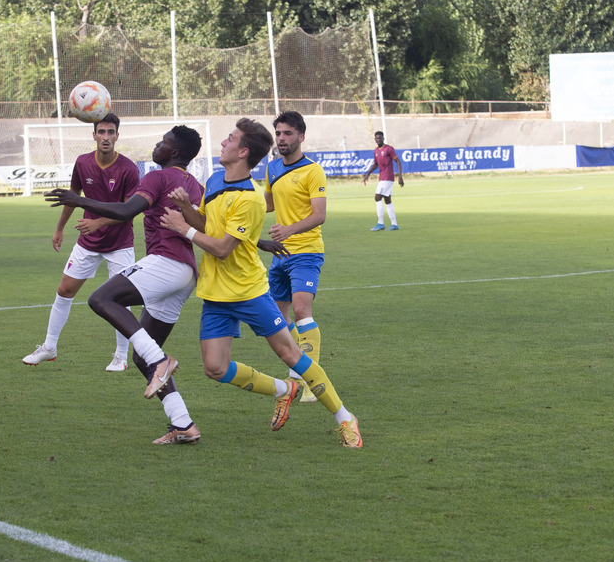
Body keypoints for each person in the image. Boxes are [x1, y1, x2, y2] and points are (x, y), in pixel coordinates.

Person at [159, 118, 363, 448]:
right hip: (215, 293)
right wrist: (186, 209)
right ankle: (285, 390)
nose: (223, 142)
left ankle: (345, 417)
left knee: (290, 353)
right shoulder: (213, 180)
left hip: (248, 291)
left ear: (242, 151)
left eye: (230, 139)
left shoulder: (251, 198)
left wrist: (182, 228)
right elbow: (209, 226)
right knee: (214, 368)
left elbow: (223, 248)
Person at [44, 125, 205, 445]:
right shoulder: (195, 185)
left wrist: (79, 199)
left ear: (173, 152)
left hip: (166, 263)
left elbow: (127, 210)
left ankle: (162, 361)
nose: (156, 146)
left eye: (162, 143)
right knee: (141, 357)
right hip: (186, 272)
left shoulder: (157, 177)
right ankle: (183, 424)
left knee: (102, 299)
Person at [22, 113, 140, 371]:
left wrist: (98, 222)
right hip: (88, 242)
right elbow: (73, 197)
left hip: (120, 244)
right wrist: (60, 228)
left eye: (111, 132)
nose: (106, 137)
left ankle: (120, 356)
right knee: (64, 290)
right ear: (94, 135)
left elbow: (129, 210)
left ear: (117, 136)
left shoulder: (129, 169)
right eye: (102, 132)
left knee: (120, 299)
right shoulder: (83, 163)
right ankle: (49, 347)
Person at [262, 111, 327, 404]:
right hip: (280, 254)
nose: (281, 139)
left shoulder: (313, 171)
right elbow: (266, 204)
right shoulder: (272, 167)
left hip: (306, 251)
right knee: (278, 318)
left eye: (287, 133)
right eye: (278, 133)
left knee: (302, 312)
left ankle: (311, 379)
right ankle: (297, 367)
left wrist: (288, 229)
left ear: (301, 136)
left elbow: (319, 215)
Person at [361, 130, 404, 231]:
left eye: (380, 138)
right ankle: (394, 224)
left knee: (377, 197)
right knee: (387, 200)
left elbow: (398, 161)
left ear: (383, 138)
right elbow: (375, 164)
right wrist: (368, 173)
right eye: (376, 138)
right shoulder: (376, 151)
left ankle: (380, 223)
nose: (378, 140)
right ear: (375, 139)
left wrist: (400, 176)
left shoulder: (389, 149)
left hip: (388, 177)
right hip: (382, 177)